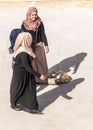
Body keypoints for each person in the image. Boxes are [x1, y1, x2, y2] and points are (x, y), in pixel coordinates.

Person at [10, 32, 46, 114]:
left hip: (26, 72)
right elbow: (27, 66)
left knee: (30, 89)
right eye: (29, 39)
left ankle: (31, 107)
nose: (31, 40)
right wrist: (39, 75)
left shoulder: (26, 48)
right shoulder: (23, 52)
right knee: (18, 88)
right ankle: (15, 104)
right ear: (25, 40)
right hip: (21, 73)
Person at [21, 7, 49, 84]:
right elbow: (22, 36)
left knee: (41, 62)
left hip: (38, 44)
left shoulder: (39, 23)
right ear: (29, 15)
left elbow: (43, 34)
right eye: (32, 15)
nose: (34, 17)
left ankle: (43, 78)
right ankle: (34, 79)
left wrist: (46, 45)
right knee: (31, 62)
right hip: (29, 46)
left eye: (35, 15)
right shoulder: (24, 24)